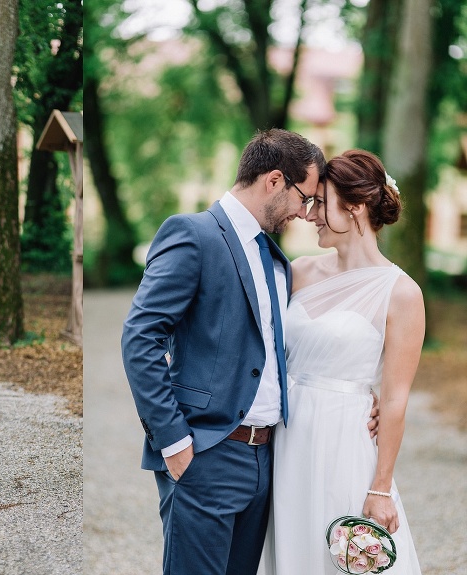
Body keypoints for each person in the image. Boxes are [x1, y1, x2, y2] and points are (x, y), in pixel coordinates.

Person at [121, 129, 326, 575]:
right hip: (206, 453)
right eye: (304, 198)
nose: (304, 213)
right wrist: (174, 441)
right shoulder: (193, 234)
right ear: (275, 180)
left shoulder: (274, 258)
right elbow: (140, 337)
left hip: (266, 458)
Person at [257, 150, 424, 574]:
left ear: (355, 207)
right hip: (286, 438)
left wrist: (381, 488)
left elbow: (396, 399)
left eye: (320, 202)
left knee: (341, 555)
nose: (309, 214)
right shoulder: (299, 271)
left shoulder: (401, 293)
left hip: (344, 442)